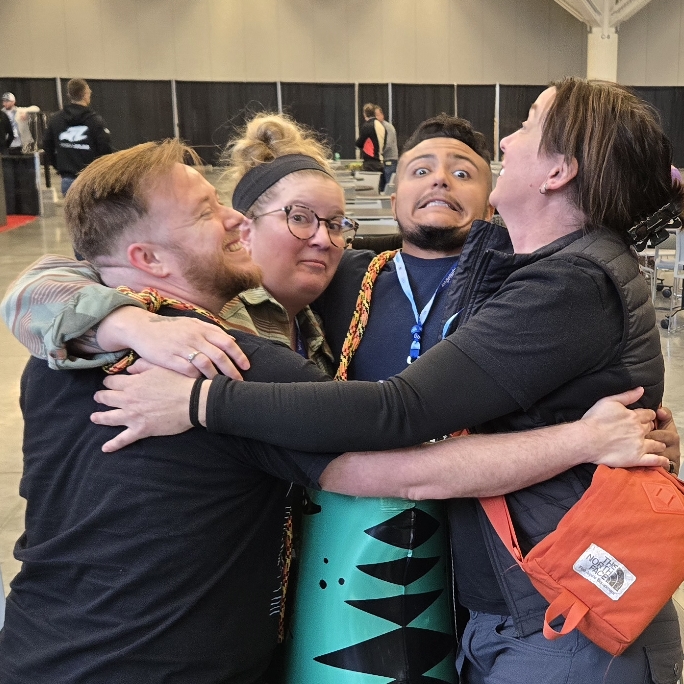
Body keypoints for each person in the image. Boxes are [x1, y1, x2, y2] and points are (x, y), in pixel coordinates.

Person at [83, 79, 684, 683]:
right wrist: (117, 315)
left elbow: (401, 411)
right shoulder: (484, 269)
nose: (506, 137)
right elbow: (75, 261)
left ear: (559, 171)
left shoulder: (568, 284)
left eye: (526, 124)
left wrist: (202, 400)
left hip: (559, 607)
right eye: (296, 219)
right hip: (508, 601)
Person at [42, 78, 112, 197]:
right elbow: (105, 150)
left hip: (68, 180)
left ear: (69, 95)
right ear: (85, 95)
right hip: (90, 180)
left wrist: (60, 166)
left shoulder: (56, 119)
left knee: (72, 215)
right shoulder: (95, 121)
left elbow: (47, 146)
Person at [356, 102, 385, 174]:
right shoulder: (381, 125)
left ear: (365, 114)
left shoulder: (367, 126)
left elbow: (359, 143)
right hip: (380, 161)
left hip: (370, 163)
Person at [375, 105, 398, 192]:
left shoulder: (388, 127)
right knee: (381, 188)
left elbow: (388, 144)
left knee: (389, 187)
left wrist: (378, 153)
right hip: (381, 161)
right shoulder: (376, 128)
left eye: (377, 115)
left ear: (382, 115)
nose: (376, 118)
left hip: (390, 160)